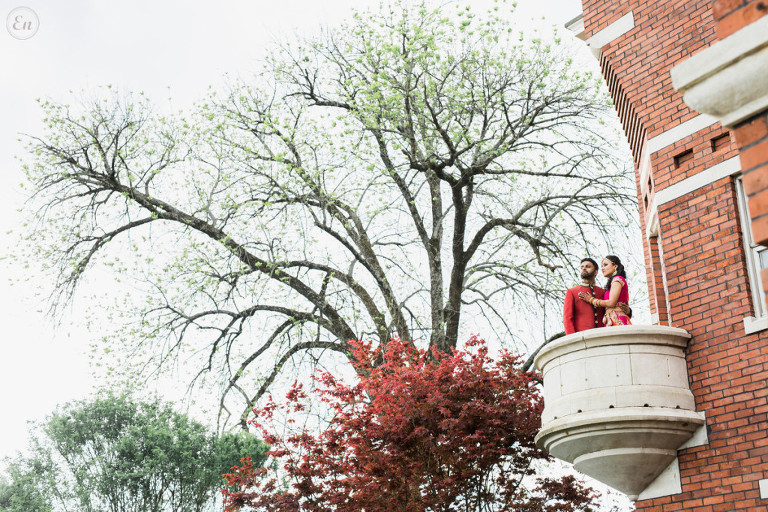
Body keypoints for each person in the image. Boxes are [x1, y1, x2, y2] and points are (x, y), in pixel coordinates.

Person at [579, 255, 632, 327]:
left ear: (615, 266)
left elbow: (611, 303)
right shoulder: (612, 284)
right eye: (602, 266)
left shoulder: (617, 279)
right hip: (609, 321)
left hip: (617, 320)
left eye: (605, 265)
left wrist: (591, 300)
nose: (602, 268)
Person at [563, 258, 605, 335]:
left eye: (587, 266)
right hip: (582, 337)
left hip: (602, 336)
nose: (584, 268)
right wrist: (572, 339)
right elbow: (567, 318)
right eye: (582, 267)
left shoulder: (602, 292)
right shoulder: (572, 292)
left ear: (596, 272)